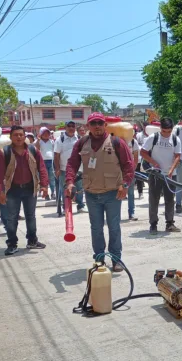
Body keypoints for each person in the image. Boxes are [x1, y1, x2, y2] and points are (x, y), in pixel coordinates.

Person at [64, 112, 134, 272]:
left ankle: (116, 260)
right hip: (91, 193)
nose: (97, 126)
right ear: (88, 126)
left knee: (114, 227)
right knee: (96, 228)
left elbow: (128, 165)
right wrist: (69, 182)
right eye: (93, 123)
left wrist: (125, 184)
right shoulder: (82, 143)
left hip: (113, 193)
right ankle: (99, 259)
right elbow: (72, 163)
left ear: (105, 125)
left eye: (100, 123)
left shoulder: (116, 142)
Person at [0, 126, 49, 255]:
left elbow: (42, 168)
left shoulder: (33, 150)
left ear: (25, 137)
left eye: (21, 135)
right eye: (15, 135)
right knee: (11, 218)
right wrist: (0, 192)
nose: (18, 137)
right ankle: (12, 244)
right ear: (11, 137)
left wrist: (44, 185)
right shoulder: (4, 152)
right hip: (12, 190)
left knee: (31, 216)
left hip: (30, 188)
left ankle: (32, 241)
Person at [141, 117, 182, 234]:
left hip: (170, 175)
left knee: (170, 199)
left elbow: (178, 156)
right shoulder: (153, 138)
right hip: (155, 174)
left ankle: (170, 223)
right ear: (160, 128)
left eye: (169, 131)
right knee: (154, 200)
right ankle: (153, 224)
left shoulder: (175, 139)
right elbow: (143, 152)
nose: (166, 134)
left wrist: (171, 170)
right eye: (164, 131)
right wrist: (153, 162)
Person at [54, 121, 84, 217]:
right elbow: (56, 155)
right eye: (69, 126)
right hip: (64, 169)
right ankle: (65, 207)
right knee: (65, 188)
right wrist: (57, 169)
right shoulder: (60, 140)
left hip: (78, 168)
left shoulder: (79, 139)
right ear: (65, 128)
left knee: (79, 188)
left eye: (73, 126)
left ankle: (80, 206)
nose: (71, 128)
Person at [35, 127, 56, 199]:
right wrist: (38, 140)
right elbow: (37, 149)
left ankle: (53, 193)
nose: (46, 134)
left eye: (47, 133)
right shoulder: (39, 142)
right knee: (45, 178)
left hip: (51, 161)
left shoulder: (52, 141)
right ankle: (46, 194)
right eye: (44, 133)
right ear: (41, 134)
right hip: (42, 162)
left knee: (52, 178)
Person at [127, 135, 141, 221]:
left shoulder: (133, 141)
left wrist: (133, 169)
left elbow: (135, 158)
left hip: (129, 170)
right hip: (117, 171)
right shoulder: (117, 139)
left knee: (131, 193)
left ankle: (131, 213)